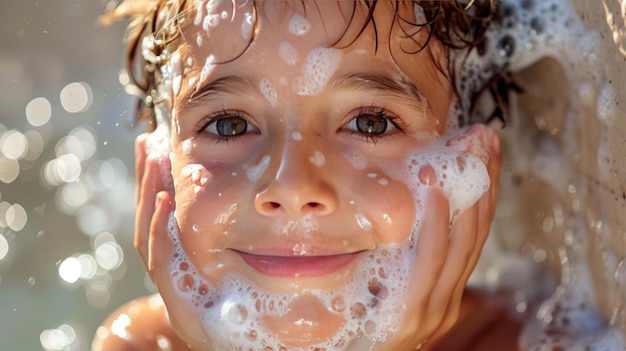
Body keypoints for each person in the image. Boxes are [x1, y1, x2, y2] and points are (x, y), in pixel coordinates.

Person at [93, 0, 521, 350]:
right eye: (230, 126)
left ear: (469, 163)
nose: (292, 188)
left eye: (370, 122)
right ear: (163, 168)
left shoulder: (524, 341)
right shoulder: (137, 343)